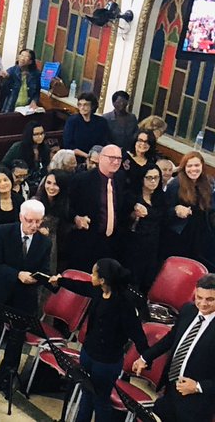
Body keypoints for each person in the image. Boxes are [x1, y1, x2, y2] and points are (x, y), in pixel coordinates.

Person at [47, 259, 148, 422]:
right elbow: (79, 286)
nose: (91, 276)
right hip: (88, 353)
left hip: (106, 362)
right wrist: (60, 281)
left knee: (101, 401)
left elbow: (137, 333)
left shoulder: (123, 304)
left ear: (103, 280)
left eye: (93, 274)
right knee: (86, 394)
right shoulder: (98, 290)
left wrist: (145, 357)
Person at [0, 200, 51, 380]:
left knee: (16, 339)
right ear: (21, 217)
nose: (34, 225)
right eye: (30, 221)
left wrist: (40, 278)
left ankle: (7, 374)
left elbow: (44, 269)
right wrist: (17, 275)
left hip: (24, 296)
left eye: (38, 221)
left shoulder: (44, 242)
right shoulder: (2, 232)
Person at [132, 273, 215, 421]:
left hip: (197, 403)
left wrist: (198, 386)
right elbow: (171, 339)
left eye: (210, 299)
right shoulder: (188, 310)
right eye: (199, 297)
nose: (203, 304)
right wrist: (145, 357)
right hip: (170, 390)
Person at [66, 145, 129, 271]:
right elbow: (66, 205)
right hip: (87, 241)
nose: (116, 162)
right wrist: (76, 218)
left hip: (112, 243)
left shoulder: (121, 178)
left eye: (119, 158)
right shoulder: (82, 180)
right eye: (112, 158)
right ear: (101, 158)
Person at [161, 150, 214, 266]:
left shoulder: (208, 183)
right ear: (184, 167)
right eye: (189, 166)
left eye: (197, 165)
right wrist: (176, 210)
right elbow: (164, 212)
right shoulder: (175, 185)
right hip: (179, 235)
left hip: (199, 234)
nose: (193, 169)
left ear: (202, 166)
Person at [63, 93, 112, 162]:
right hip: (75, 158)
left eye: (85, 105)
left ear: (92, 106)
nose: (82, 107)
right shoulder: (72, 121)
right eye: (80, 105)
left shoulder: (102, 122)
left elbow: (104, 142)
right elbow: (68, 145)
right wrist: (87, 156)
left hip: (96, 158)